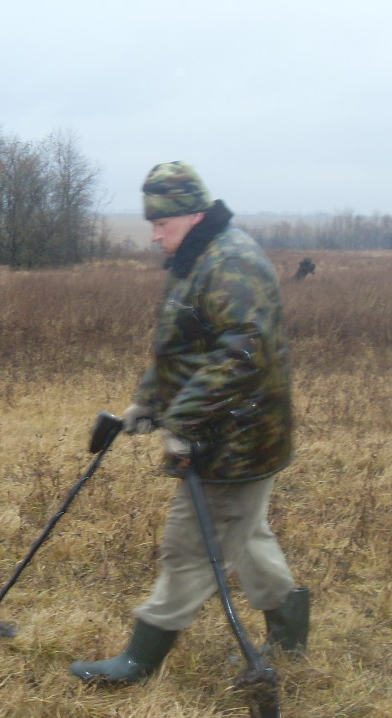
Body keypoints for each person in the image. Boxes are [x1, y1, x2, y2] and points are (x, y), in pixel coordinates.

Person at [71, 161, 309, 685]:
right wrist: (147, 403)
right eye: (152, 224)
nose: (155, 235)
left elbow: (243, 352)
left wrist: (181, 419)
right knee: (248, 534)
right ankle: (291, 637)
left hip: (237, 436)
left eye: (163, 224)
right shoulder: (196, 258)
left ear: (195, 214)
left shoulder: (231, 263)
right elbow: (181, 347)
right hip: (233, 429)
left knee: (190, 546)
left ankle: (137, 661)